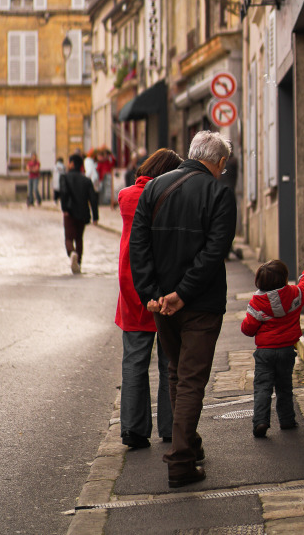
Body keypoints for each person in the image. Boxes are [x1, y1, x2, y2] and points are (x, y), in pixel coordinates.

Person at [129, 130, 237, 488]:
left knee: (177, 372)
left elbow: (138, 244)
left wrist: (154, 293)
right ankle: (180, 461)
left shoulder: (155, 188)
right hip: (201, 303)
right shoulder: (219, 192)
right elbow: (215, 250)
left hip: (163, 303)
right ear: (219, 162)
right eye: (224, 165)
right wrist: (185, 293)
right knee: (190, 378)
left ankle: (187, 443)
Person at [116, 148, 182, 450]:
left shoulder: (125, 196)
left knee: (134, 360)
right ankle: (170, 428)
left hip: (131, 283)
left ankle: (132, 428)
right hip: (164, 283)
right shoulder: (168, 197)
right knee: (170, 359)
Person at [241, 257, 304, 438]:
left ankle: (260, 421)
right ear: (284, 278)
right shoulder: (295, 294)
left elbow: (247, 329)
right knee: (284, 386)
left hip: (265, 352)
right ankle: (287, 420)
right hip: (286, 350)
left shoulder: (257, 302)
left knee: (262, 387)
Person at [60, 153, 99, 274]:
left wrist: (65, 209)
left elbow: (64, 193)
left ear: (72, 164)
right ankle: (79, 262)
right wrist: (95, 216)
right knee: (79, 239)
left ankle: (72, 253)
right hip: (83, 213)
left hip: (70, 212)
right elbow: (93, 199)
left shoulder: (65, 177)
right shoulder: (86, 180)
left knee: (68, 238)